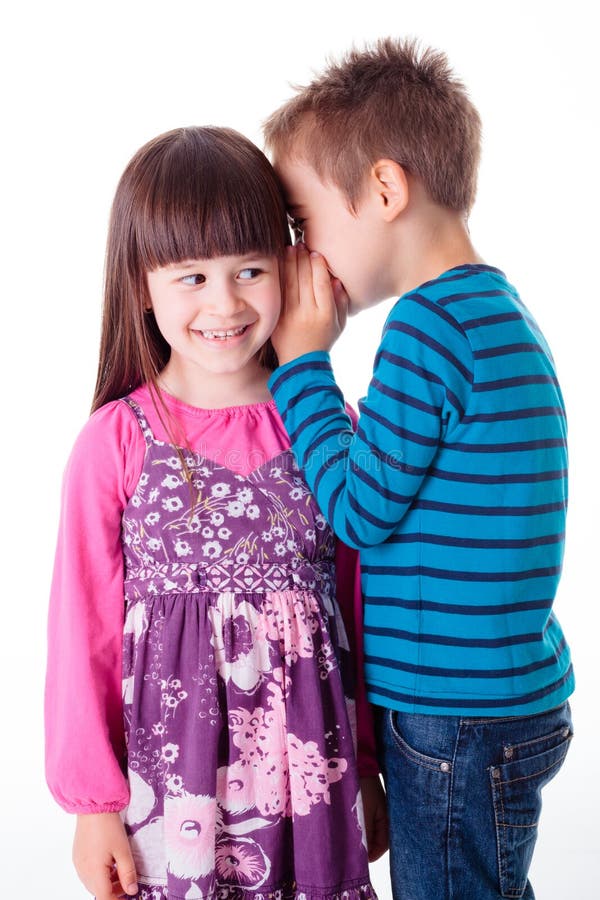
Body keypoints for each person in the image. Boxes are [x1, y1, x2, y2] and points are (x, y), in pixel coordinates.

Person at [262, 38, 574, 900]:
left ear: (386, 191)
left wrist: (302, 368)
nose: (302, 253)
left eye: (302, 221)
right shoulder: (495, 312)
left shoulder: (426, 330)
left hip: (454, 717)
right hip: (501, 700)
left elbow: (358, 510)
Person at [44, 125, 387, 900]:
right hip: (174, 800)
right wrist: (93, 807)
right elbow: (81, 633)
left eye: (250, 270)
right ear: (142, 284)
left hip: (312, 794)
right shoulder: (116, 443)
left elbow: (361, 611)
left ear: (293, 267)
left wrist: (369, 766)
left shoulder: (322, 425)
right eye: (190, 278)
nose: (224, 303)